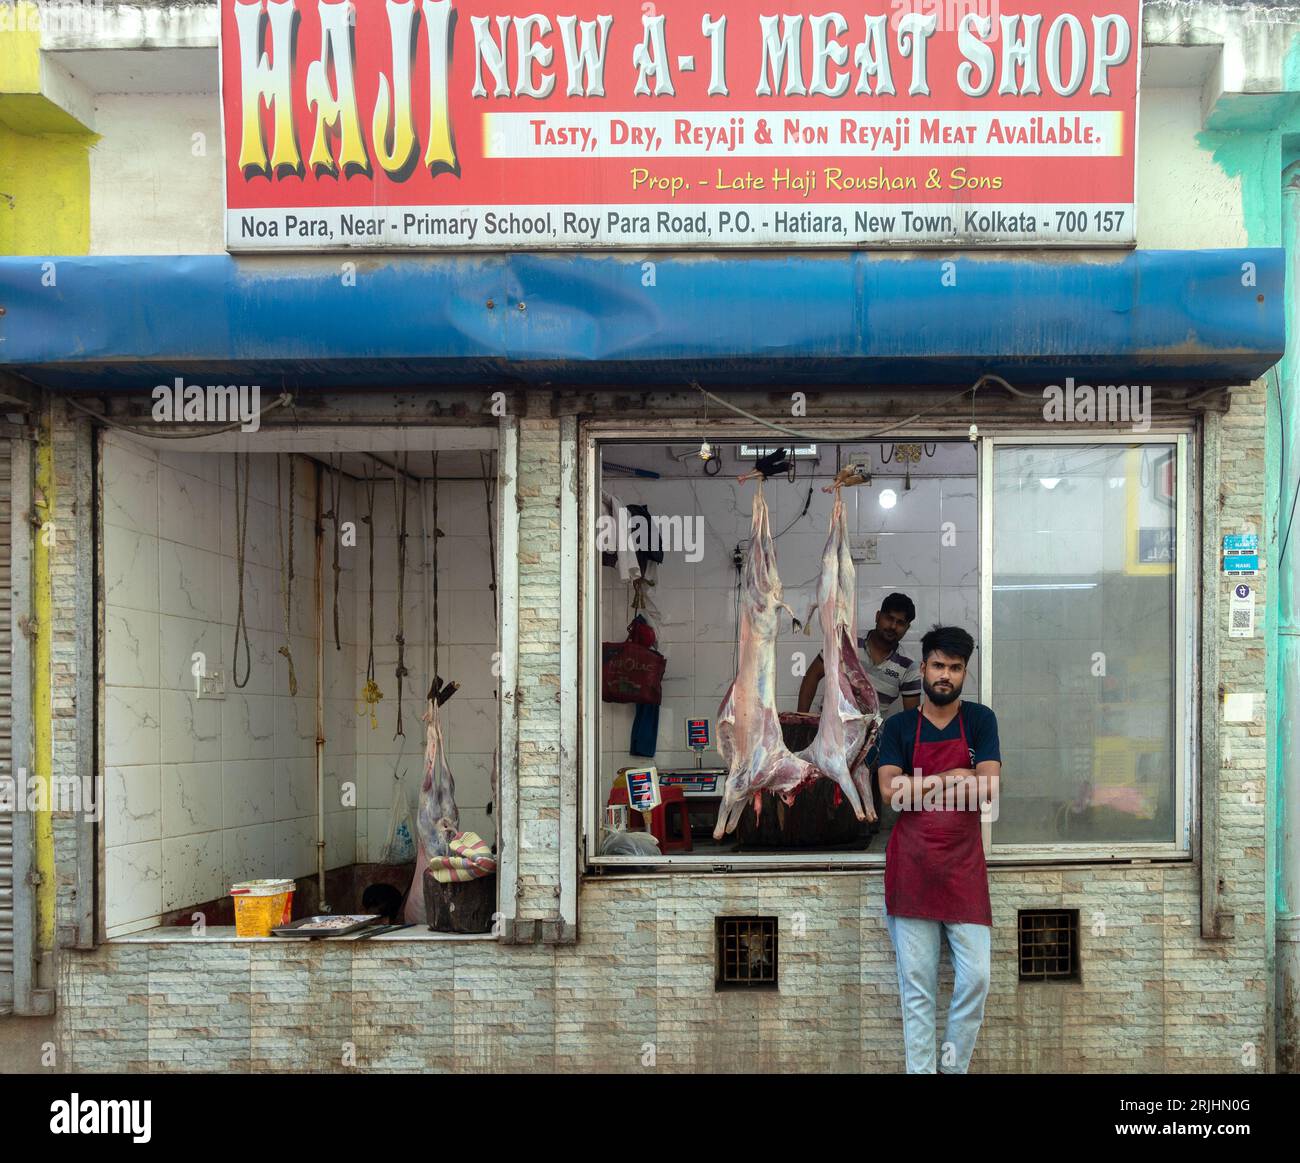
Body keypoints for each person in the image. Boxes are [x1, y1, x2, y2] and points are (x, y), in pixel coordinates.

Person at [875, 625, 1001, 1075]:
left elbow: (988, 790)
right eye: (938, 665)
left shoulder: (981, 720)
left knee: (976, 979)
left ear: (965, 672)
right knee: (918, 990)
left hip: (964, 871)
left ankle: (952, 1069)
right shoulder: (899, 727)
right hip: (912, 870)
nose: (945, 675)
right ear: (924, 667)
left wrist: (919, 786)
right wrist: (953, 777)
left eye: (955, 667)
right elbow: (889, 794)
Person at [796, 592, 921, 721]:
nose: (893, 626)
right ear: (878, 616)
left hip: (871, 732)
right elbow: (812, 675)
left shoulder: (909, 666)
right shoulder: (847, 641)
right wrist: (800, 721)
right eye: (889, 618)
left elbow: (911, 718)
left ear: (907, 628)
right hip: (831, 727)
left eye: (900, 623)